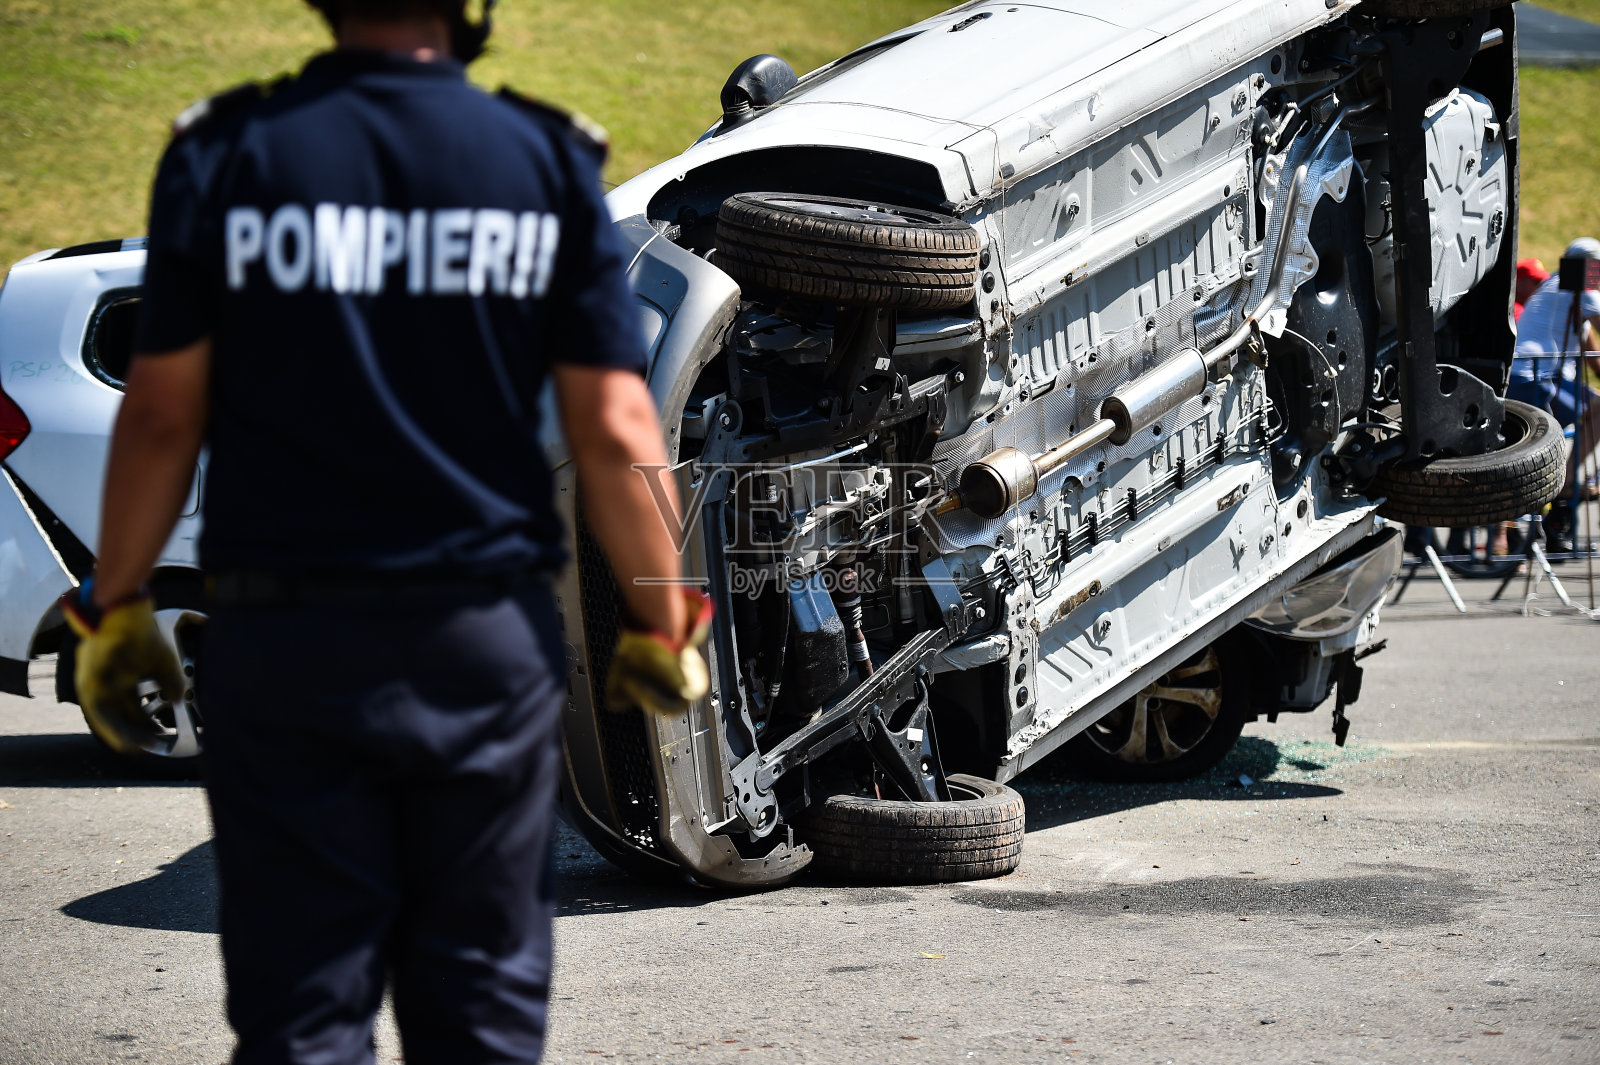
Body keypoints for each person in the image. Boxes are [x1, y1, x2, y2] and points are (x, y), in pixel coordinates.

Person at [57, 1, 710, 1061]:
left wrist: (118, 599)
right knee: (481, 1012)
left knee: (303, 1014)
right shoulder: (541, 160)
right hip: (479, 646)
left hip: (288, 646)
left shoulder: (227, 153)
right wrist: (660, 616)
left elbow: (165, 410)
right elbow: (612, 423)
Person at [1509, 237, 1600, 551]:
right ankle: (1567, 485)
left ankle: (1564, 493)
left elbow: (1595, 359)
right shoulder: (1576, 287)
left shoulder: (1562, 292)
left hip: (1535, 375)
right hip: (1536, 376)